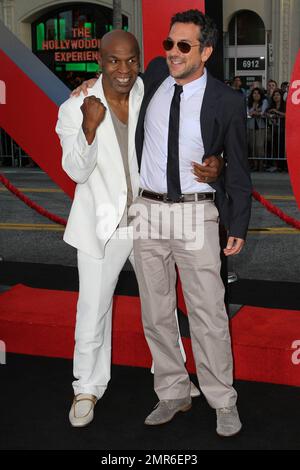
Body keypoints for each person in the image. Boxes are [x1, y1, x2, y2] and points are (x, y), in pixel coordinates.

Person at [56, 29, 222, 428]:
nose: (124, 69)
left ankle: (174, 380)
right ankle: (86, 387)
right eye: (114, 60)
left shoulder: (150, 91)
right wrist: (89, 128)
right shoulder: (75, 106)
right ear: (99, 61)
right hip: (103, 224)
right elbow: (76, 170)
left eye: (131, 60)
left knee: (159, 304)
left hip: (150, 218)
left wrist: (218, 164)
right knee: (93, 308)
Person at [131, 9, 252, 437]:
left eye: (184, 46)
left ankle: (222, 399)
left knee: (208, 313)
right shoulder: (152, 78)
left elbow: (237, 166)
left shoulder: (226, 99)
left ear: (206, 51)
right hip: (146, 211)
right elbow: (115, 84)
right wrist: (89, 85)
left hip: (195, 212)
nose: (173, 53)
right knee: (156, 311)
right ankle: (173, 391)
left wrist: (237, 223)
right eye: (169, 43)